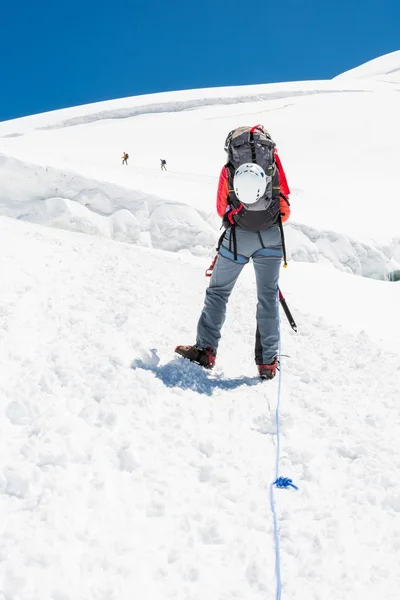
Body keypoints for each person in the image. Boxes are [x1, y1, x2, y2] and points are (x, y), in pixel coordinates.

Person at [175, 125, 291, 379]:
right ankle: (267, 363)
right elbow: (285, 208)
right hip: (271, 238)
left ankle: (206, 350)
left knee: (218, 292)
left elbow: (221, 208)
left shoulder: (230, 169)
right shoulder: (273, 164)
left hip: (237, 238)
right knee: (268, 296)